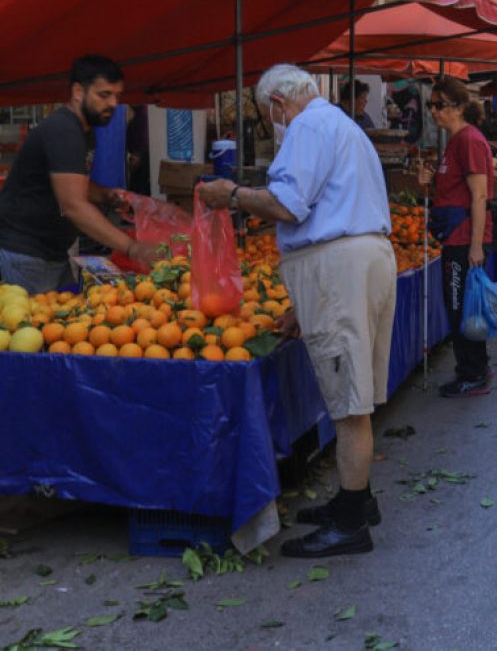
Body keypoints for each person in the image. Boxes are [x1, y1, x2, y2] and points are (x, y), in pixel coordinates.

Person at [198, 64, 395, 558]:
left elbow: (288, 205)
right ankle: (358, 500)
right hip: (364, 259)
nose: (273, 122)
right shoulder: (342, 125)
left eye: (269, 116)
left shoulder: (306, 126)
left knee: (350, 401)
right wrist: (308, 308)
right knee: (356, 387)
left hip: (340, 267)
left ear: (278, 104)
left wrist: (233, 195)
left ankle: (351, 523)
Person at [0, 56, 161, 292]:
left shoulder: (84, 131)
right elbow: (74, 205)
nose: (113, 103)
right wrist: (132, 248)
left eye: (117, 95)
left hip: (51, 253)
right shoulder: (63, 130)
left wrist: (106, 195)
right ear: (78, 91)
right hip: (27, 254)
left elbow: (74, 182)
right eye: (104, 95)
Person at [418, 77, 496, 397]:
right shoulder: (453, 142)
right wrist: (426, 183)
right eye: (431, 105)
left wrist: (476, 245)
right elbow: (449, 193)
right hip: (455, 237)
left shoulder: (469, 141)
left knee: (461, 308)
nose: (434, 112)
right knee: (460, 306)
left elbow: (479, 197)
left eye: (440, 105)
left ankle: (473, 373)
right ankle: (474, 368)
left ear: (460, 107)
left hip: (465, 240)